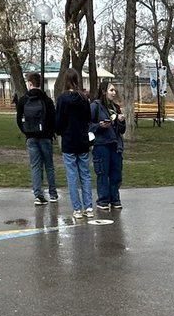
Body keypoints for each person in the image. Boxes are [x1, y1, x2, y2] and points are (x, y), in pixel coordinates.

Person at [54, 69, 95, 219]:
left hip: (69, 141)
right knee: (85, 175)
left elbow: (58, 121)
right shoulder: (84, 99)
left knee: (72, 176)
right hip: (83, 140)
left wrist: (59, 131)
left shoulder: (62, 99)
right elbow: (88, 118)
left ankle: (77, 209)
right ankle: (89, 207)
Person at [17, 72, 58, 206]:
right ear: (40, 83)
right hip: (45, 136)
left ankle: (38, 194)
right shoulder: (46, 100)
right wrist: (50, 132)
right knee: (49, 165)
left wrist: (26, 132)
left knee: (35, 166)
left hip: (31, 136)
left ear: (30, 83)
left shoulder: (23, 100)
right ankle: (52, 193)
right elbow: (53, 119)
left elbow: (18, 119)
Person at [89, 80, 126, 210]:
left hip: (115, 145)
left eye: (115, 90)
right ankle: (103, 200)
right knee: (103, 173)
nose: (114, 93)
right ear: (104, 91)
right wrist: (99, 126)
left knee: (116, 174)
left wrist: (121, 121)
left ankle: (115, 198)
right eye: (111, 90)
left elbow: (122, 130)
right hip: (101, 145)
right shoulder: (95, 106)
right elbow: (87, 125)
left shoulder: (115, 107)